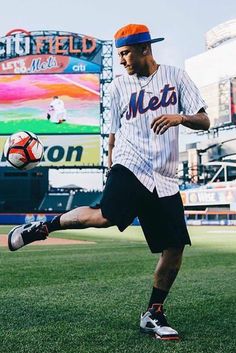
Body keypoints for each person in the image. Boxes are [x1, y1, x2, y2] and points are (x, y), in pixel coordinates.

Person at [8, 24, 210, 341]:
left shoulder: (177, 77)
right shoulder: (118, 87)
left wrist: (180, 117)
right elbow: (114, 131)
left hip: (166, 176)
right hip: (130, 165)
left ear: (145, 49)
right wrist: (111, 159)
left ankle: (153, 314)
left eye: (126, 53)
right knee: (104, 216)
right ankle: (42, 228)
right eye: (118, 54)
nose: (121, 60)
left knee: (174, 248)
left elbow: (204, 119)